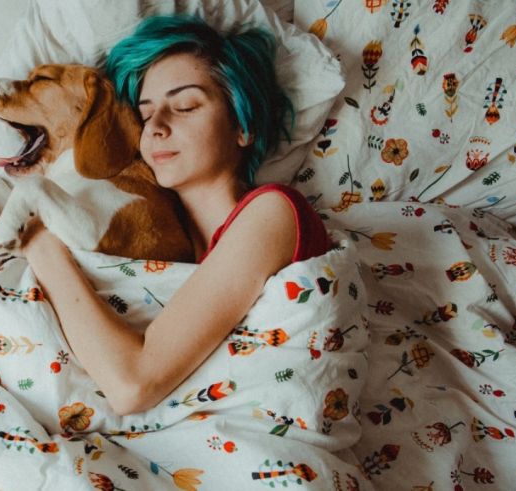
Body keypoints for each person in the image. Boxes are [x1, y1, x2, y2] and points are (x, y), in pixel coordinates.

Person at [18, 15, 331, 415]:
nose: (157, 128)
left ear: (243, 126)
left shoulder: (273, 211)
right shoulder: (152, 248)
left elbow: (133, 386)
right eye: (145, 115)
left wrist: (40, 244)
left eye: (184, 106)